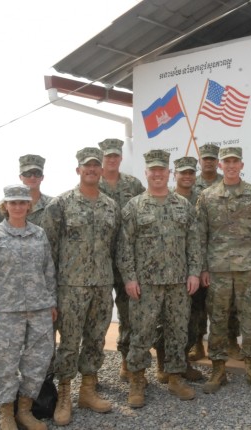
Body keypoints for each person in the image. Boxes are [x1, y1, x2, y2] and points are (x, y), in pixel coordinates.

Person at [41, 147, 120, 426]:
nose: (92, 170)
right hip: (71, 287)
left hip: (101, 285)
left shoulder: (111, 205)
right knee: (70, 343)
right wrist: (50, 293)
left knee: (96, 339)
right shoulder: (60, 204)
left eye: (96, 166)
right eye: (86, 166)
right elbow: (48, 252)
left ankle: (88, 390)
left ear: (101, 171)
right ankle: (64, 395)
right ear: (78, 170)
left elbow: (114, 247)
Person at [118, 150, 201, 408]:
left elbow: (194, 242)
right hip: (146, 284)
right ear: (147, 173)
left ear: (169, 173)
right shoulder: (134, 206)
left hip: (178, 282)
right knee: (141, 332)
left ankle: (175, 377)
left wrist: (194, 272)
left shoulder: (182, 205)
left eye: (161, 170)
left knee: (177, 331)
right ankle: (137, 380)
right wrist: (130, 278)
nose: (157, 174)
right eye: (152, 170)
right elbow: (124, 246)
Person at [0, 184, 57, 430]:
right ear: (5, 206)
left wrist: (51, 302)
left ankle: (25, 411)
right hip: (7, 311)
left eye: (22, 202)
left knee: (37, 361)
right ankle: (6, 414)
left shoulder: (39, 234)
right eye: (13, 202)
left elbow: (48, 270)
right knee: (5, 363)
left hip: (39, 309)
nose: (18, 206)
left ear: (29, 206)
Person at [197, 146, 251, 394]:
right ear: (220, 166)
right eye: (226, 162)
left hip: (248, 268)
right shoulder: (207, 196)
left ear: (242, 165)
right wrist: (202, 268)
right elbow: (200, 236)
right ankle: (218, 369)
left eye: (235, 161)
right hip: (218, 269)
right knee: (218, 320)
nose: (231, 166)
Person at [190, 143, 243, 362]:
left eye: (213, 159)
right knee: (200, 304)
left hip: (226, 257)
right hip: (205, 254)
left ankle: (231, 341)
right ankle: (197, 343)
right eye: (206, 158)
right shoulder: (194, 187)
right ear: (200, 160)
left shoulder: (226, 184)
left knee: (229, 304)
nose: (209, 162)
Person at [98, 138, 146, 381]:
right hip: (100, 260)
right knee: (100, 313)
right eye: (108, 156)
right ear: (102, 157)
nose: (112, 160)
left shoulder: (133, 184)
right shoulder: (92, 183)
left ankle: (127, 359)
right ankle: (92, 370)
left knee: (129, 312)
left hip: (129, 258)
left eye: (115, 156)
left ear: (120, 158)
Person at [0, 154, 52, 226]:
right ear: (20, 177)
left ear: (42, 177)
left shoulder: (54, 204)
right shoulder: (3, 209)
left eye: (37, 173)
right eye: (27, 173)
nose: (32, 177)